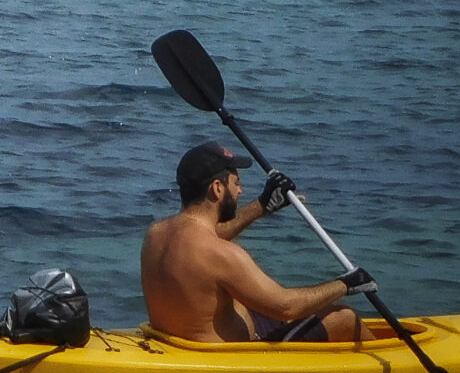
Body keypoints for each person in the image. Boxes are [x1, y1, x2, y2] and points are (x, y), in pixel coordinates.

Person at [140, 143, 367, 343]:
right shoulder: (224, 255)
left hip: (174, 340)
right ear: (217, 188)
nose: (240, 190)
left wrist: (262, 205)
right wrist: (347, 284)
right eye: (236, 183)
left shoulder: (157, 233)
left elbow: (205, 241)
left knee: (257, 305)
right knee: (345, 318)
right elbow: (287, 306)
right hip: (230, 355)